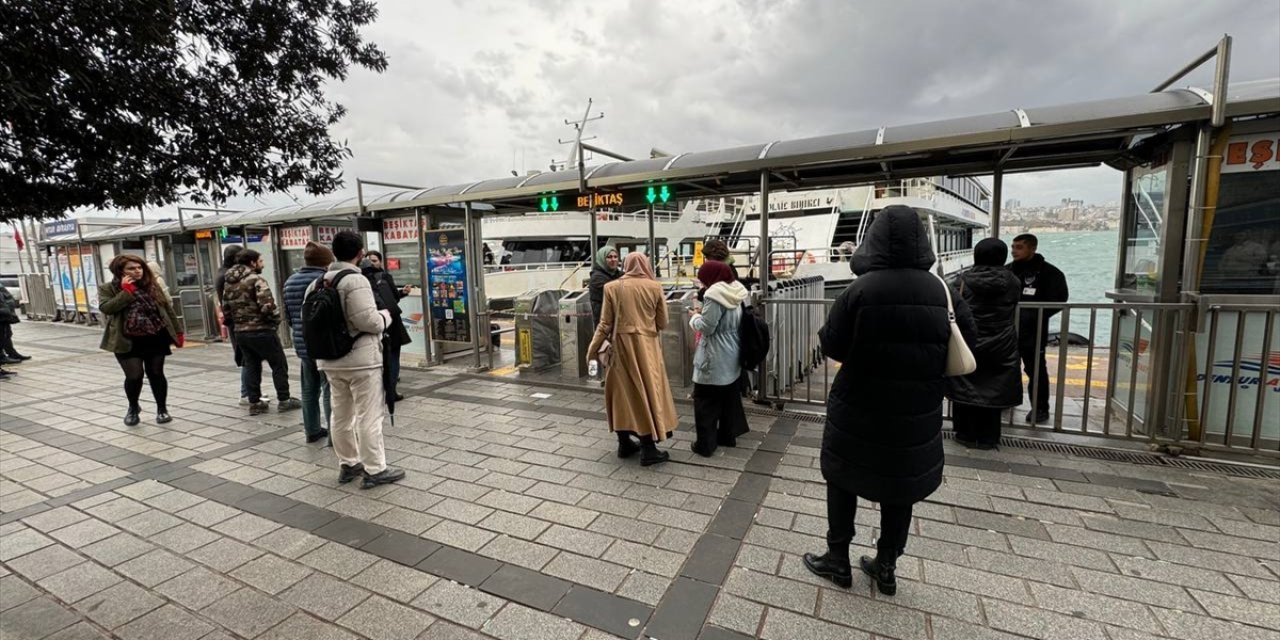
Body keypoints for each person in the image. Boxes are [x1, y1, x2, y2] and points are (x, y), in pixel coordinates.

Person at [802, 206, 975, 596]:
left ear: (874, 239)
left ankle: (838, 560)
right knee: (901, 487)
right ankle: (886, 566)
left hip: (859, 404)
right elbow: (967, 344)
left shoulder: (860, 289)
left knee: (843, 479)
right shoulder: (940, 290)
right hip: (916, 407)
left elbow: (832, 343)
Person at [317, 230, 405, 488]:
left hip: (330, 359)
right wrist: (386, 316)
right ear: (360, 253)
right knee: (369, 415)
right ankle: (375, 470)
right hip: (361, 361)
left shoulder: (319, 281)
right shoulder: (355, 281)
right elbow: (368, 321)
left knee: (341, 415)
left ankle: (348, 463)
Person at [586, 252, 678, 466]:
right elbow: (663, 322)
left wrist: (591, 350)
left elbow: (605, 324)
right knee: (646, 391)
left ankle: (624, 443)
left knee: (622, 394)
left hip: (619, 347)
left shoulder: (612, 287)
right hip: (647, 348)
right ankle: (648, 448)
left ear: (625, 265)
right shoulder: (654, 287)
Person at [945, 239, 1023, 449]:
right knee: (994, 389)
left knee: (965, 384)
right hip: (1002, 342)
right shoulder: (1013, 282)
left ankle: (964, 434)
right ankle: (989, 437)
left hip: (970, 341)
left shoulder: (961, 281)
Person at [98, 254, 184, 425]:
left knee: (156, 373)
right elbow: (107, 308)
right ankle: (133, 406)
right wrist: (126, 291)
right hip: (126, 339)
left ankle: (162, 409)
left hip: (155, 336)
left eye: (139, 268)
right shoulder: (109, 288)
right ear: (120, 270)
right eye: (131, 268)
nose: (137, 271)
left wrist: (178, 332)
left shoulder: (152, 286)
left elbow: (166, 309)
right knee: (134, 376)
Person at [222, 249, 302, 415]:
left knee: (251, 365)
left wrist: (237, 324)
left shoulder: (228, 282)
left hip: (241, 332)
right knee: (278, 364)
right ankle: (284, 399)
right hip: (262, 330)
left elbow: (226, 309)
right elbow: (267, 306)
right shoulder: (256, 280)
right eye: (260, 261)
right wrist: (275, 322)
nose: (262, 264)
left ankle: (255, 402)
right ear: (252, 263)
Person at [688, 257, 750, 457]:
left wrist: (695, 317)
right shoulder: (735, 290)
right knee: (728, 397)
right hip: (733, 349)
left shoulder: (714, 295)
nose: (702, 282)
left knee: (704, 399)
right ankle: (727, 436)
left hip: (714, 352)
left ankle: (705, 444)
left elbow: (707, 327)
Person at [1009, 233, 1069, 424]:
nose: (1014, 251)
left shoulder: (1050, 273)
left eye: (1019, 247)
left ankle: (1040, 408)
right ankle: (1006, 400)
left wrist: (1032, 316)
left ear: (1032, 248)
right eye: (1013, 247)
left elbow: (1059, 299)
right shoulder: (1008, 271)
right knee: (1008, 367)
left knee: (1035, 370)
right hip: (1008, 330)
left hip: (1033, 332)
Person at [284, 242, 334, 443]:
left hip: (303, 344)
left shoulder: (290, 281)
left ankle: (312, 430)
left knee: (308, 390)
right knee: (330, 390)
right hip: (323, 344)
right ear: (325, 262)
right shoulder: (325, 281)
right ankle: (335, 434)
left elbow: (288, 316)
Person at [362, 250, 412, 402]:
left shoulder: (360, 279)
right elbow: (393, 299)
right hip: (390, 322)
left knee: (376, 359)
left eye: (374, 260)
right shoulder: (384, 276)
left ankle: (376, 392)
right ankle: (391, 391)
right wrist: (402, 293)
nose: (372, 263)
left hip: (371, 323)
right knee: (393, 357)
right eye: (371, 260)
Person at [215, 244, 256, 405]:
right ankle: (246, 393)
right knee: (247, 357)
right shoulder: (228, 276)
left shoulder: (223, 273)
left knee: (247, 356)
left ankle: (249, 389)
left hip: (235, 322)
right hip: (239, 322)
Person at [588, 245, 622, 327]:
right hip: (604, 324)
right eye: (609, 257)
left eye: (615, 257)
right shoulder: (597, 278)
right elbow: (614, 292)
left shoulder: (619, 274)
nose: (613, 260)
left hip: (618, 322)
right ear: (602, 259)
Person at [0, 282, 29, 365]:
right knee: (3, 335)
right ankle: (3, 357)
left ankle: (11, 353)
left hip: (4, 312)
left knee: (6, 334)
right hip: (2, 312)